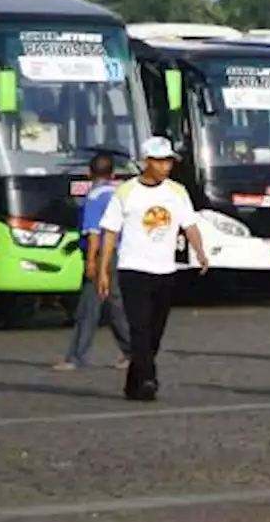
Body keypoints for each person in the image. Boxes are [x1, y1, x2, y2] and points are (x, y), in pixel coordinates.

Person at [97, 137, 208, 401]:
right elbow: (110, 232)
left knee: (155, 331)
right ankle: (148, 378)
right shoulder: (125, 192)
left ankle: (134, 382)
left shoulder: (177, 191)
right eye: (159, 161)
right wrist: (103, 269)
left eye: (168, 161)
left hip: (164, 270)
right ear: (146, 162)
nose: (165, 167)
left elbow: (189, 224)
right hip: (133, 269)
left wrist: (200, 251)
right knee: (139, 329)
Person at [53, 153, 130, 372]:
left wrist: (91, 262)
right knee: (115, 305)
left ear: (89, 173)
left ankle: (76, 357)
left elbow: (94, 234)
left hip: (101, 255)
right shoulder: (120, 193)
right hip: (120, 253)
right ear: (113, 173)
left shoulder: (94, 198)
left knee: (88, 308)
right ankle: (132, 351)